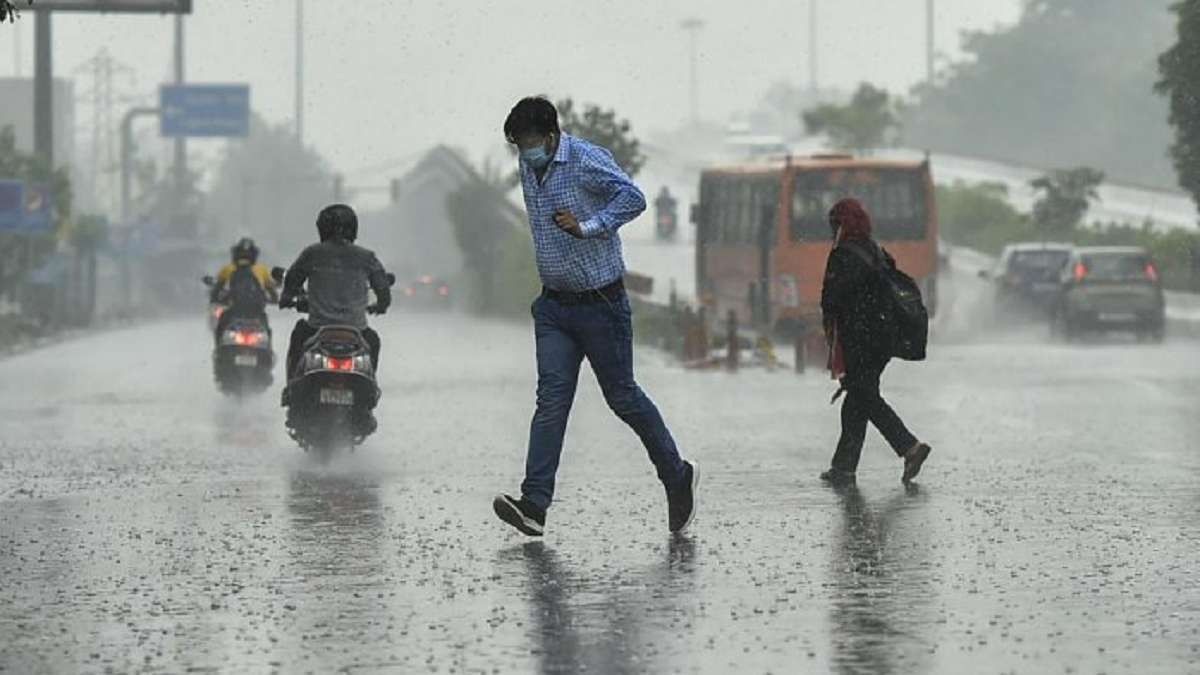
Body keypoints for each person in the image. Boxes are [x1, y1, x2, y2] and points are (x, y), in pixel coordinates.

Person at [491, 96, 699, 538]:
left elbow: (634, 198)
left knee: (622, 398)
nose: (524, 153)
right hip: (554, 308)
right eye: (517, 146)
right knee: (551, 402)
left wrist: (588, 225)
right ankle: (535, 504)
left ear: (550, 137)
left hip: (601, 305)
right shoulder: (529, 167)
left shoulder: (585, 160)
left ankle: (677, 475)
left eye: (529, 143)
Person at [819, 197, 931, 485]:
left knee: (865, 396)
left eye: (834, 225)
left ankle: (909, 446)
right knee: (857, 398)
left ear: (840, 225)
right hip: (884, 339)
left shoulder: (843, 255)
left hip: (860, 339)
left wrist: (830, 329)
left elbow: (832, 299)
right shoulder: (876, 251)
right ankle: (843, 468)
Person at [279, 204, 391, 397]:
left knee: (298, 337)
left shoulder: (312, 254)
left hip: (316, 328)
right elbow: (382, 288)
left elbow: (292, 280)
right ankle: (370, 393)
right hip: (357, 331)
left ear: (322, 228)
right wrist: (381, 305)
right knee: (374, 341)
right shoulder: (367, 257)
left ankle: (291, 390)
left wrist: (287, 298)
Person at [211, 237, 276, 339]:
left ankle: (218, 352)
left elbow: (216, 290)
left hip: (234, 311)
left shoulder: (227, 269)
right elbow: (272, 292)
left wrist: (217, 299)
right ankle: (269, 352)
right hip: (256, 311)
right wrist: (273, 299)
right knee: (266, 328)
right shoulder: (262, 270)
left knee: (221, 324)